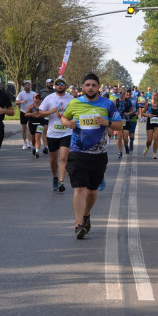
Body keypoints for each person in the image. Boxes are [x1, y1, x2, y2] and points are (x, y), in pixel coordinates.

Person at [60, 73, 122, 239]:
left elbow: (120, 125)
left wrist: (107, 122)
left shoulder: (108, 104)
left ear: (98, 87)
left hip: (98, 154)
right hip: (77, 151)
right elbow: (64, 118)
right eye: (87, 85)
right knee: (79, 188)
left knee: (92, 191)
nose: (90, 88)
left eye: (93, 85)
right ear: (82, 87)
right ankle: (79, 224)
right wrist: (69, 123)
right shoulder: (75, 103)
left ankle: (86, 215)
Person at [36, 77, 73, 192]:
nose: (60, 85)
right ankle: (55, 177)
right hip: (52, 133)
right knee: (53, 159)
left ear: (66, 86)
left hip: (66, 132)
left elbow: (76, 113)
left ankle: (61, 182)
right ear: (55, 86)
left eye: (62, 84)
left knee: (63, 157)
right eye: (57, 84)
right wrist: (50, 112)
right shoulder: (49, 98)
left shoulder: (71, 99)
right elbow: (40, 113)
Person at [15, 80, 36, 149]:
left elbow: (38, 101)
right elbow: (16, 102)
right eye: (26, 85)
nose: (27, 86)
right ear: (23, 87)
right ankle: (24, 142)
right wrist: (22, 101)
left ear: (30, 86)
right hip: (23, 112)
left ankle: (29, 142)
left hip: (31, 112)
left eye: (28, 85)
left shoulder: (34, 93)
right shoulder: (21, 94)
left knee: (30, 128)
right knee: (24, 128)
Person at [142, 92, 158, 159]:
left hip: (157, 122)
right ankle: (147, 148)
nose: (154, 97)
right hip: (150, 122)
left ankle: (154, 153)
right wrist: (148, 115)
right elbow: (142, 113)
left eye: (156, 96)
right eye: (153, 95)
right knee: (149, 140)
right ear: (151, 96)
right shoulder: (148, 104)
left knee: (156, 138)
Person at [113, 89, 134, 159]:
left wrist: (128, 113)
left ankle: (126, 146)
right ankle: (120, 152)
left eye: (123, 93)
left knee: (125, 138)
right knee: (119, 137)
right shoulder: (115, 101)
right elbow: (111, 111)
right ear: (119, 93)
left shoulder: (128, 101)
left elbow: (132, 111)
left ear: (125, 94)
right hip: (118, 121)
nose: (122, 94)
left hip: (126, 121)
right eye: (121, 93)